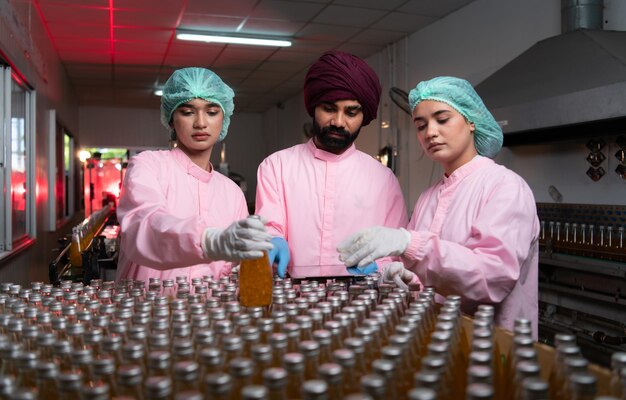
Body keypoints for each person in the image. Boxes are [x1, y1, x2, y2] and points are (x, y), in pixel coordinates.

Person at [338, 76, 539, 334]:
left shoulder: (505, 186)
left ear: (471, 121)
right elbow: (426, 275)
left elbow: (491, 278)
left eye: (442, 120)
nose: (430, 132)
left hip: (494, 347)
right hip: (437, 339)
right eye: (420, 126)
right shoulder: (429, 197)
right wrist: (394, 272)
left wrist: (409, 244)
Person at [255, 50, 409, 279]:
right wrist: (271, 240)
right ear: (313, 108)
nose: (338, 121)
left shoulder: (383, 179)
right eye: (329, 108)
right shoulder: (276, 166)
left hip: (362, 303)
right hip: (293, 301)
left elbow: (394, 250)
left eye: (351, 112)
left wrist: (381, 267)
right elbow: (269, 227)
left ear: (363, 116)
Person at [116, 67, 273, 284]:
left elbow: (236, 262)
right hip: (148, 310)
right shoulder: (148, 166)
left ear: (224, 118)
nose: (200, 123)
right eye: (188, 112)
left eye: (211, 112)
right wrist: (208, 241)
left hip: (210, 313)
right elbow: (144, 227)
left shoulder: (232, 192)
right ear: (171, 119)